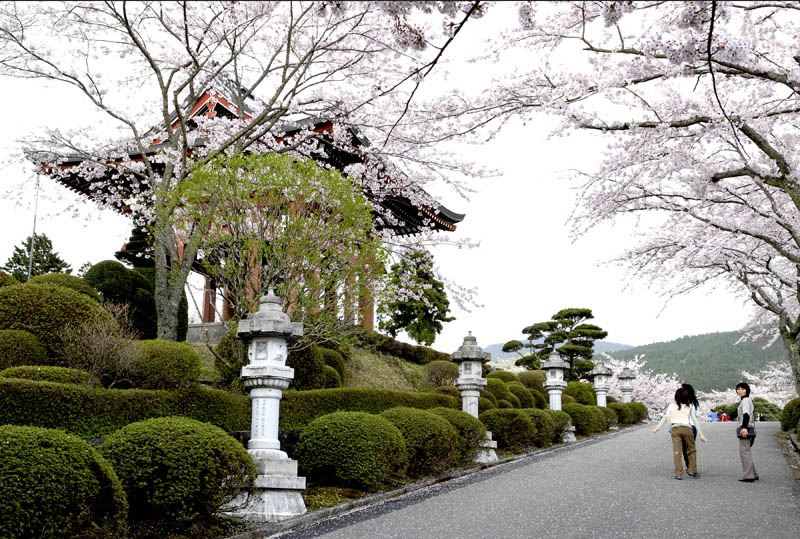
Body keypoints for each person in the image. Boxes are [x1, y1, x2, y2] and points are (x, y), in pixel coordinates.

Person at [652, 387, 706, 479]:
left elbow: (665, 418)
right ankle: (692, 470)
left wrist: (657, 428)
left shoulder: (671, 406)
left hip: (675, 430)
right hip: (687, 429)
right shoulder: (690, 406)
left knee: (677, 451)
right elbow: (694, 420)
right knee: (691, 450)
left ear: (676, 396)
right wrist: (701, 434)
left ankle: (678, 473)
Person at [681, 383, 708, 474]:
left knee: (685, 449)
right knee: (691, 448)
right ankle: (692, 467)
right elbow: (696, 415)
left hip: (684, 426)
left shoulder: (681, 402)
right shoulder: (695, 402)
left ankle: (689, 466)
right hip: (693, 427)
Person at [736, 382, 759, 483]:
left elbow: (746, 415)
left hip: (746, 429)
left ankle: (749, 476)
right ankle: (753, 474)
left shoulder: (745, 400)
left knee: (744, 452)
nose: (740, 390)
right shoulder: (747, 400)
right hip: (751, 428)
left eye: (743, 388)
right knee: (747, 452)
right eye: (738, 389)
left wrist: (744, 427)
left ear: (747, 390)